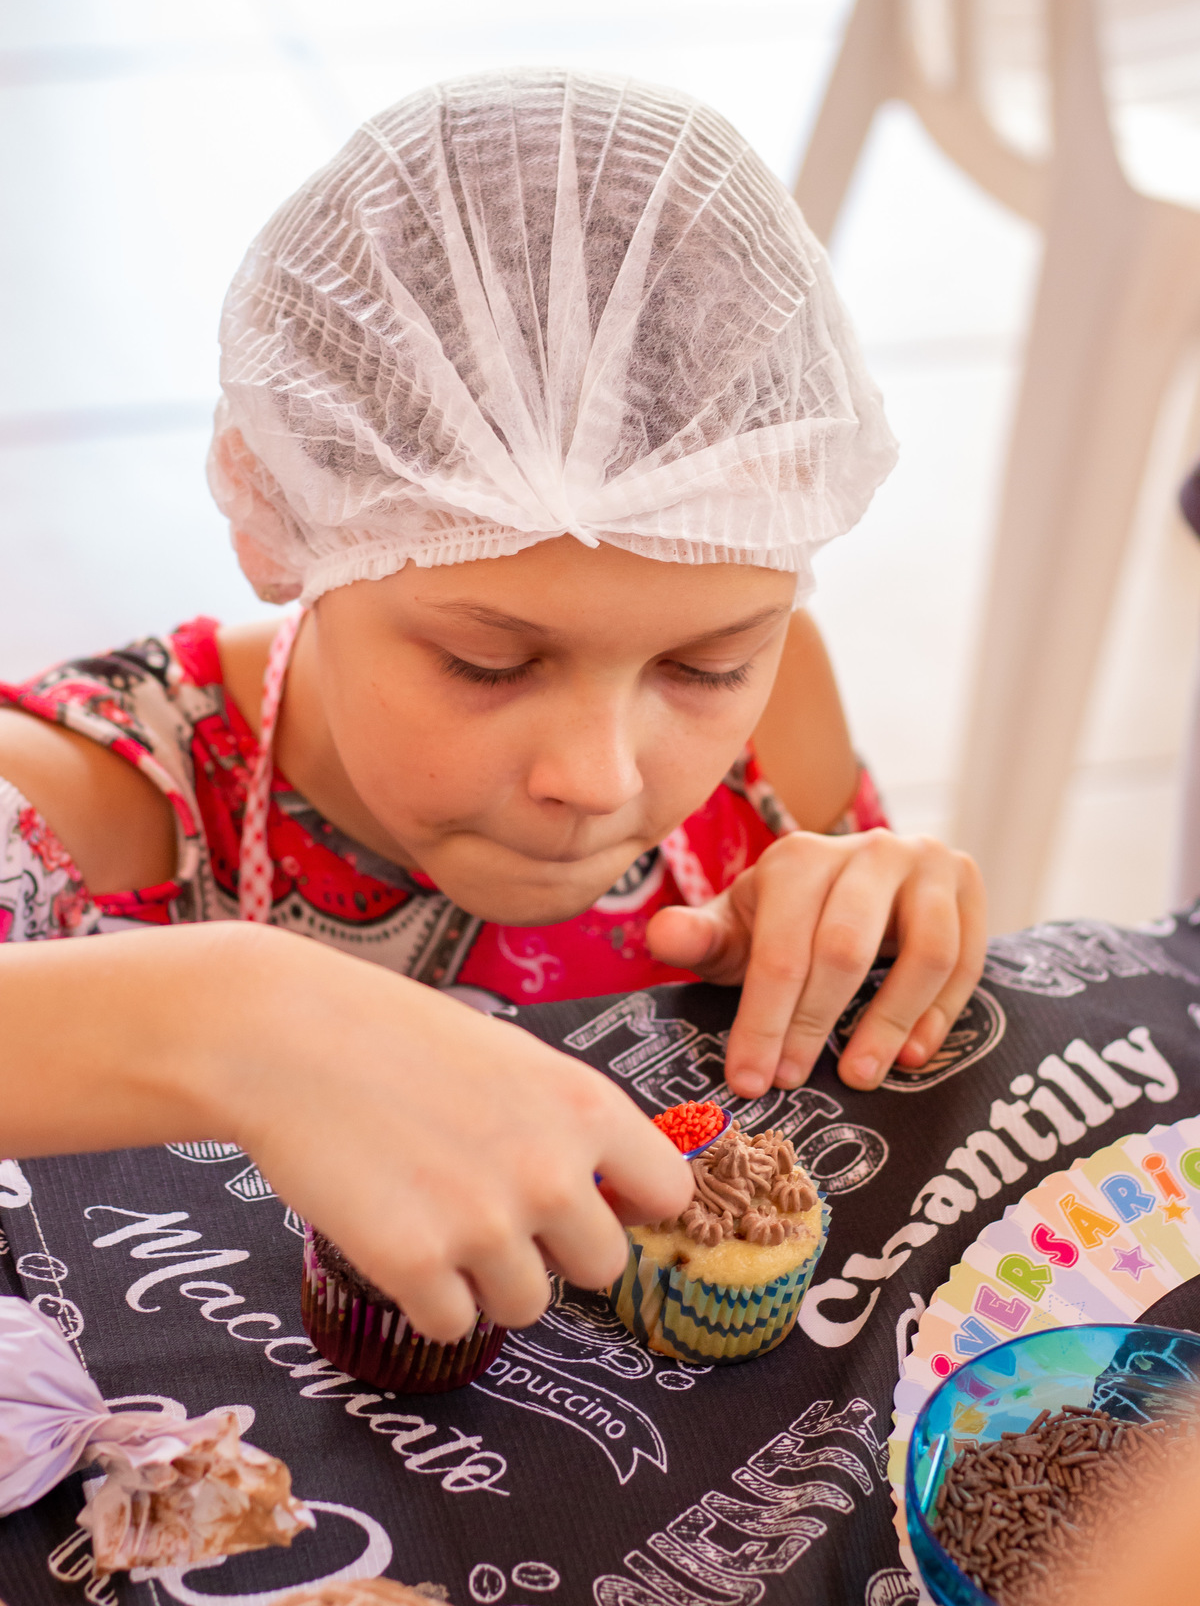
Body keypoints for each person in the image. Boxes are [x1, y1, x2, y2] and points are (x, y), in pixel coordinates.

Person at [0, 70, 984, 1344]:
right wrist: (227, 1014)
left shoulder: (783, 720)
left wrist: (863, 928)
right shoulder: (88, 804)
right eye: (487, 664)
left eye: (704, 668)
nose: (601, 775)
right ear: (291, 521)